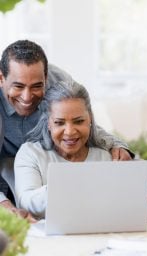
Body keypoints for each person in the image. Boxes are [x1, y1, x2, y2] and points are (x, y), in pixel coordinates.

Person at [0, 40, 132, 220]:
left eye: (37, 86)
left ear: (46, 78)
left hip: (39, 164)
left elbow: (80, 119)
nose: (27, 96)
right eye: (18, 86)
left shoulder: (60, 81)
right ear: (1, 78)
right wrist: (2, 202)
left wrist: (114, 144)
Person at [15, 81, 113, 218]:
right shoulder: (31, 153)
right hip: (47, 237)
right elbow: (26, 203)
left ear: (90, 118)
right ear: (48, 123)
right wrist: (69, 185)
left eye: (79, 121)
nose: (70, 132)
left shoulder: (104, 156)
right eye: (59, 123)